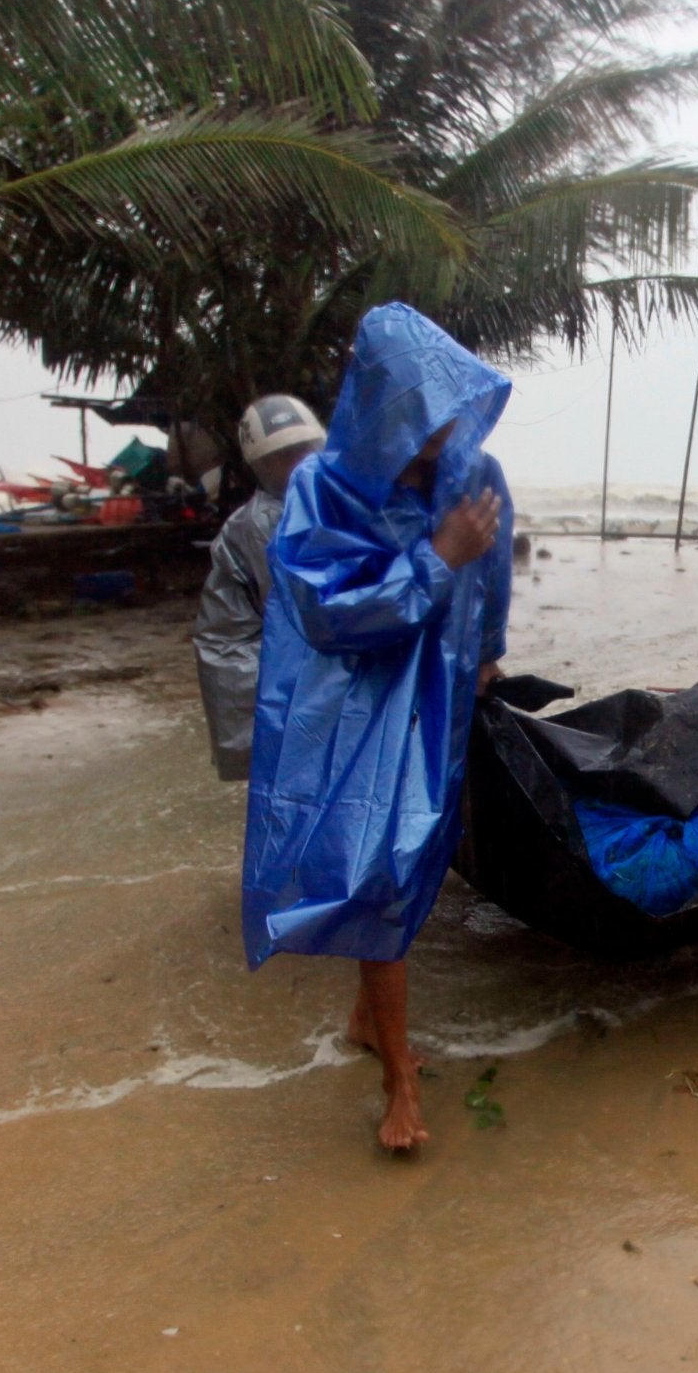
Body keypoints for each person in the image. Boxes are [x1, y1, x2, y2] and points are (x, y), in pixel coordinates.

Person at [243, 304, 513, 1151]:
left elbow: (495, 575)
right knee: (380, 866)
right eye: (419, 408)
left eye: (447, 407)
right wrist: (438, 558)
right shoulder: (323, 488)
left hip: (435, 692)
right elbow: (325, 612)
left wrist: (489, 655)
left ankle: (369, 1015)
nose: (438, 429)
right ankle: (400, 1076)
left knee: (416, 854)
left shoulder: (475, 471)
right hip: (354, 700)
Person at [193, 394, 327, 781]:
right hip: (257, 668)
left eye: (304, 451)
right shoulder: (261, 525)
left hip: (273, 665)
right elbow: (304, 615)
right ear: (262, 466)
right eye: (283, 457)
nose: (299, 464)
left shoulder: (324, 505)